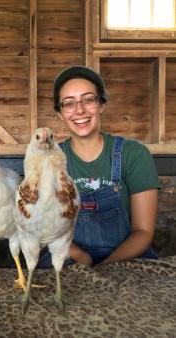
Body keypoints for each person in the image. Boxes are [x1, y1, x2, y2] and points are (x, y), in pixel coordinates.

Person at [49, 65, 160, 267]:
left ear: (101, 105)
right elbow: (43, 227)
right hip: (68, 256)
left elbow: (143, 231)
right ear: (60, 113)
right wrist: (82, 258)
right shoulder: (50, 160)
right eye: (69, 103)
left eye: (88, 99)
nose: (80, 110)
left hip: (127, 258)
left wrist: (107, 266)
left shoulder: (133, 154)